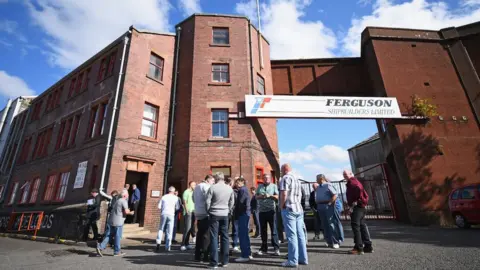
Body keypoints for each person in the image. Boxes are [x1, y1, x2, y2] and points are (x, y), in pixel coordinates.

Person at [279, 164, 308, 267]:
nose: (280, 171)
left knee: (291, 235)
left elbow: (284, 194)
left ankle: (292, 261)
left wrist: (281, 206)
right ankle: (303, 258)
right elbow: (301, 194)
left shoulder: (285, 178)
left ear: (284, 169)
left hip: (289, 209)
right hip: (298, 209)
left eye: (281, 170)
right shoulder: (296, 179)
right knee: (300, 235)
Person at [206, 172, 235, 269]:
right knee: (225, 237)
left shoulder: (212, 188)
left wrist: (209, 210)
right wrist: (228, 210)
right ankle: (225, 261)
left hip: (214, 214)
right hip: (225, 214)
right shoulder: (229, 188)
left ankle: (214, 263)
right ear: (223, 178)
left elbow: (207, 201)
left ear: (216, 178)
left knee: (214, 237)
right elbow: (232, 202)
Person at [96, 189, 134, 257]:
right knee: (117, 236)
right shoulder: (124, 201)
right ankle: (117, 252)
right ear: (125, 195)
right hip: (118, 222)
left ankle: (100, 247)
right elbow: (126, 211)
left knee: (109, 235)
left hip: (111, 220)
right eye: (128, 194)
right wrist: (131, 212)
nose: (128, 195)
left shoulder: (117, 201)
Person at [344, 170, 374, 255]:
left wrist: (356, 201)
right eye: (344, 174)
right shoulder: (354, 182)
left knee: (355, 226)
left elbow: (358, 189)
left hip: (357, 207)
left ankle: (358, 248)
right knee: (362, 226)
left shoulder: (352, 182)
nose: (345, 176)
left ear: (351, 174)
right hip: (360, 206)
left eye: (346, 174)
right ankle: (368, 246)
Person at [315, 174, 344, 249]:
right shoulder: (318, 187)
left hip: (327, 206)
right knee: (325, 225)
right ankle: (329, 241)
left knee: (331, 224)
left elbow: (335, 195)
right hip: (320, 206)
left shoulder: (328, 185)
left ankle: (336, 241)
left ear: (321, 179)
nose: (316, 180)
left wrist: (330, 203)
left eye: (317, 179)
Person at [255, 174, 280, 256]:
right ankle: (264, 248)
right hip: (262, 211)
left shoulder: (274, 186)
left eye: (267, 178)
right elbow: (256, 197)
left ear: (270, 179)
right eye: (264, 178)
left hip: (271, 211)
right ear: (263, 179)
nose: (266, 179)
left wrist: (270, 196)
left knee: (274, 230)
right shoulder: (259, 186)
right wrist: (261, 196)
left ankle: (276, 249)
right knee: (263, 231)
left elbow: (277, 196)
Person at [193, 175, 215, 262]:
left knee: (200, 234)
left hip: (198, 212)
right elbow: (208, 199)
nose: (213, 183)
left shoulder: (197, 186)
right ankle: (205, 255)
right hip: (205, 213)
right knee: (206, 235)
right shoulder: (207, 187)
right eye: (213, 181)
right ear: (208, 180)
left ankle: (197, 255)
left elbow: (193, 198)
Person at [156, 186, 181, 252]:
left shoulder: (164, 197)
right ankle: (168, 246)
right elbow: (178, 207)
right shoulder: (175, 198)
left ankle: (158, 243)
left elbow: (159, 207)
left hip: (164, 213)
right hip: (171, 214)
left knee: (161, 229)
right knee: (170, 230)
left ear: (168, 190)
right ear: (173, 191)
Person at [233, 177, 252, 262]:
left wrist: (236, 215)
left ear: (242, 182)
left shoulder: (242, 190)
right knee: (245, 235)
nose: (236, 184)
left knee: (242, 235)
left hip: (243, 214)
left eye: (238, 182)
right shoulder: (244, 190)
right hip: (245, 213)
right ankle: (248, 253)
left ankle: (245, 255)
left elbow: (240, 203)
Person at [181, 181, 197, 251]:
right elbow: (184, 201)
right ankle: (183, 244)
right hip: (189, 211)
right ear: (190, 185)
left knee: (191, 228)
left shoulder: (194, 192)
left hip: (194, 211)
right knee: (187, 228)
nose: (195, 186)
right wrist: (186, 210)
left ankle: (187, 244)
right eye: (194, 185)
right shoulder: (186, 192)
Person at [228, 178, 239, 252]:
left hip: (233, 211)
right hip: (231, 211)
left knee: (235, 228)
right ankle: (234, 245)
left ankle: (235, 244)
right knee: (234, 228)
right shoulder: (233, 191)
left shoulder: (237, 191)